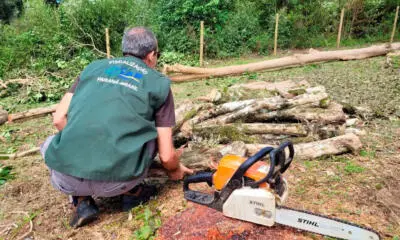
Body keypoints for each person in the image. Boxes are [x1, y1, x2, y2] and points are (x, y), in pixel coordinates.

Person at [40, 27, 193, 228]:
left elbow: (59, 119)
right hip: (120, 181)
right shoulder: (159, 84)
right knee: (150, 135)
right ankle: (133, 192)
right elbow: (166, 156)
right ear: (151, 55)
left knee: (49, 143)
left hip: (66, 179)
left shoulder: (92, 68)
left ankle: (81, 200)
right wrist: (175, 170)